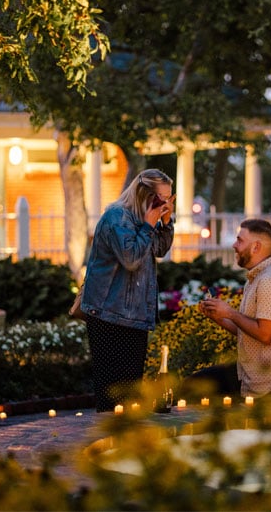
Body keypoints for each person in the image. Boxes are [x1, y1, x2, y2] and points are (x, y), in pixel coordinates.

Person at [80, 168, 176, 412]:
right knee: (112, 392)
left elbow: (160, 250)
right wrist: (149, 224)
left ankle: (124, 445)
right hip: (108, 313)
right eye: (161, 200)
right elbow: (131, 258)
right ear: (144, 194)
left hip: (134, 315)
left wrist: (165, 223)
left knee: (131, 391)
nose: (165, 204)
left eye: (169, 199)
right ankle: (107, 444)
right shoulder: (117, 217)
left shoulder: (144, 219)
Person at [186, 218, 271, 402]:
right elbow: (249, 331)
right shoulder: (256, 277)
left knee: (195, 387)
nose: (234, 245)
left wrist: (230, 312)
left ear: (256, 247)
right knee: (194, 385)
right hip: (254, 379)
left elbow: (265, 334)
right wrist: (218, 316)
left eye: (240, 240)